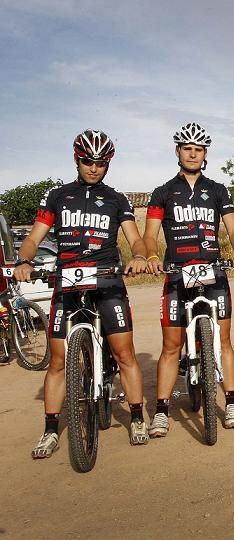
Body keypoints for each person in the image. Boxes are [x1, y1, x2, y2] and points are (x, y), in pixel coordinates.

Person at [17, 129, 150, 458]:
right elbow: (35, 237)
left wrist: (137, 255)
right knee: (59, 361)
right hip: (67, 282)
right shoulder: (58, 196)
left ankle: (136, 417)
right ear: (77, 160)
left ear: (108, 164)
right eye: (87, 161)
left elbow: (134, 238)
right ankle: (50, 430)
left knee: (125, 354)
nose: (93, 167)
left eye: (101, 162)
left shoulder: (117, 199)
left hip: (107, 280)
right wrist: (24, 259)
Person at [143, 123, 234, 437]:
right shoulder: (163, 192)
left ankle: (230, 402)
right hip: (176, 272)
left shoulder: (217, 189)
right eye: (187, 148)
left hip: (213, 270)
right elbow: (150, 235)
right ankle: (162, 409)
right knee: (171, 346)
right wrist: (150, 257)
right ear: (178, 151)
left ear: (205, 155)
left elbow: (232, 228)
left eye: (198, 149)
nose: (192, 154)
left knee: (224, 341)